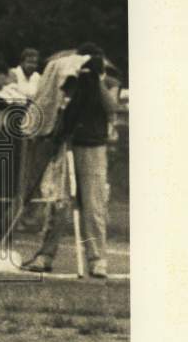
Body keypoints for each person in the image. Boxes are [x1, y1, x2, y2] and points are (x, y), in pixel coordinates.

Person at [22, 42, 119, 278]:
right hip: (68, 142)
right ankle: (46, 254)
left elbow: (111, 106)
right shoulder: (69, 79)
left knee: (93, 204)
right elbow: (59, 106)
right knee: (60, 202)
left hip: (93, 145)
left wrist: (96, 80)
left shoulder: (109, 81)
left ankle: (97, 259)